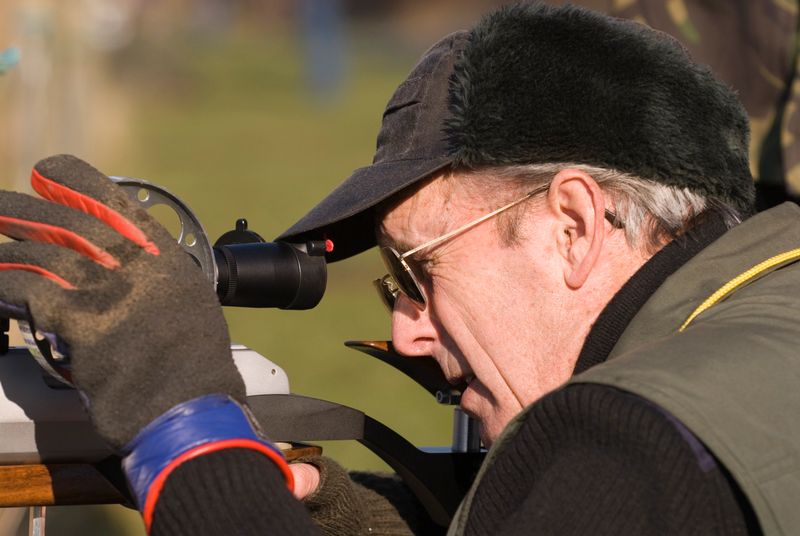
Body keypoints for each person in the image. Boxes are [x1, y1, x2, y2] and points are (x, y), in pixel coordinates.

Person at [0, 2, 797, 535]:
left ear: (573, 226)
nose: (406, 332)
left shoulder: (635, 442)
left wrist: (183, 425)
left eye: (419, 273)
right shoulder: (765, 313)